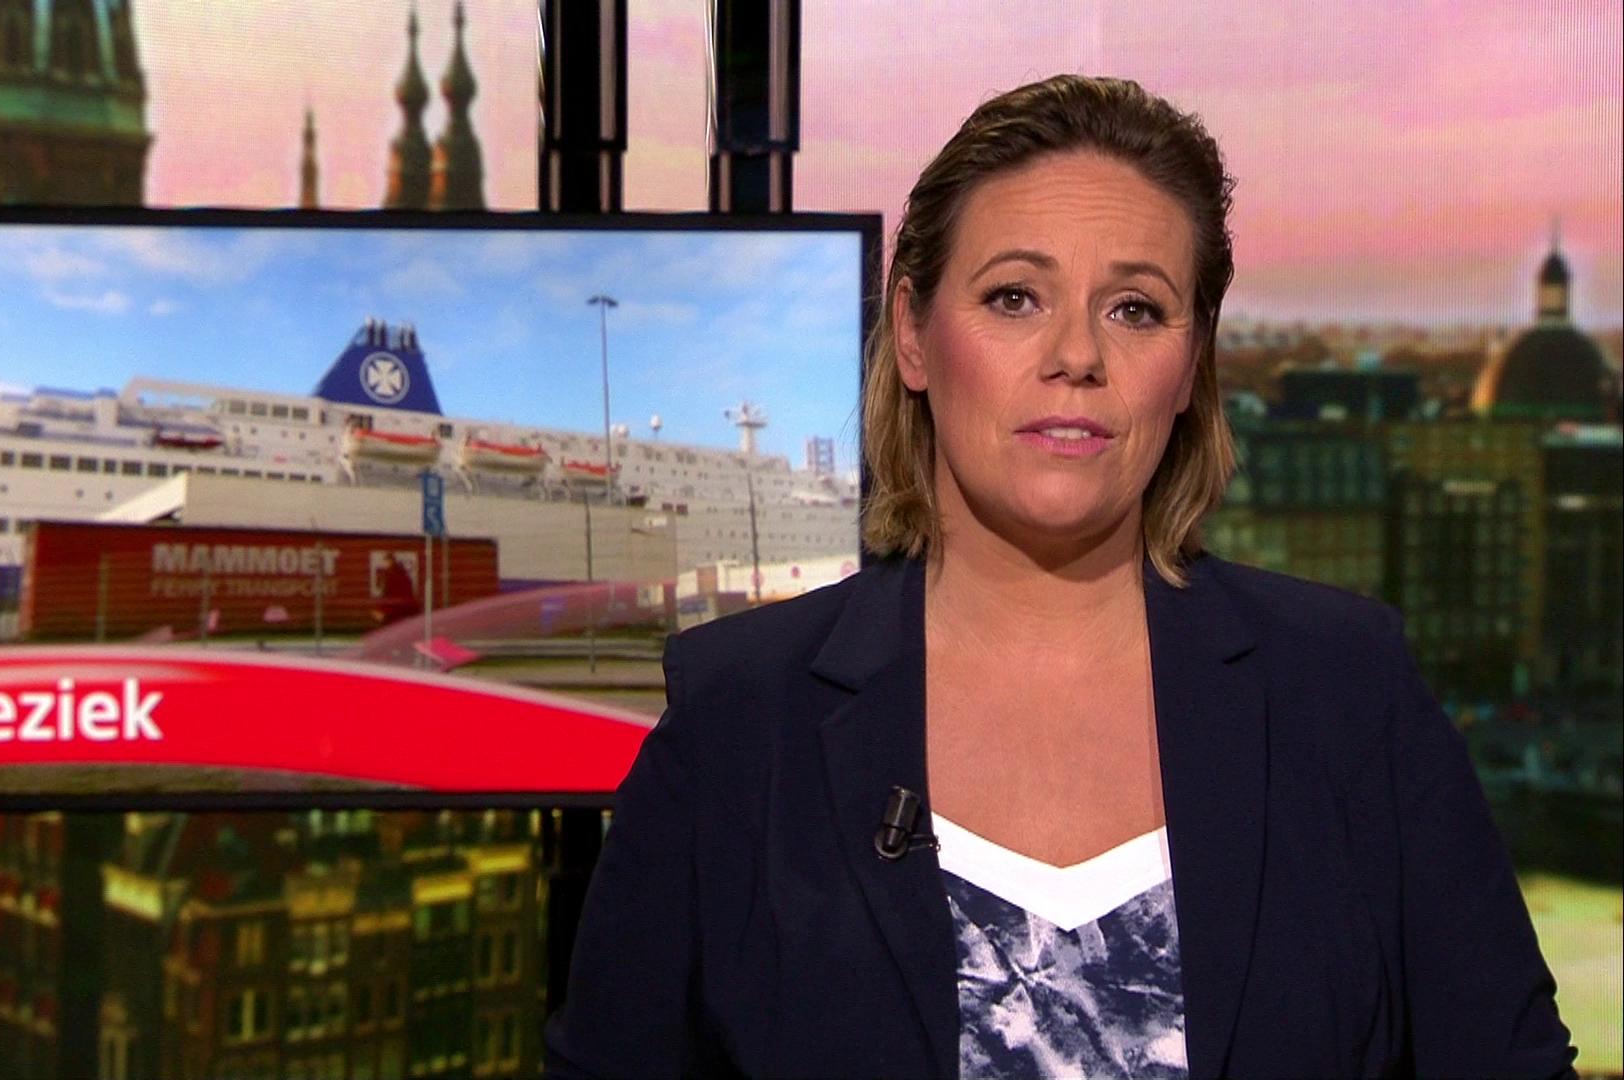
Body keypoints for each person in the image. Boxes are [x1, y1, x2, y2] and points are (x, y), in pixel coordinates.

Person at [543, 74, 1576, 1079]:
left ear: (1193, 364)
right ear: (914, 334)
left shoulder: (1348, 692)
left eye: (1134, 309)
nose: (1076, 353)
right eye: (1015, 297)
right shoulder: (738, 718)